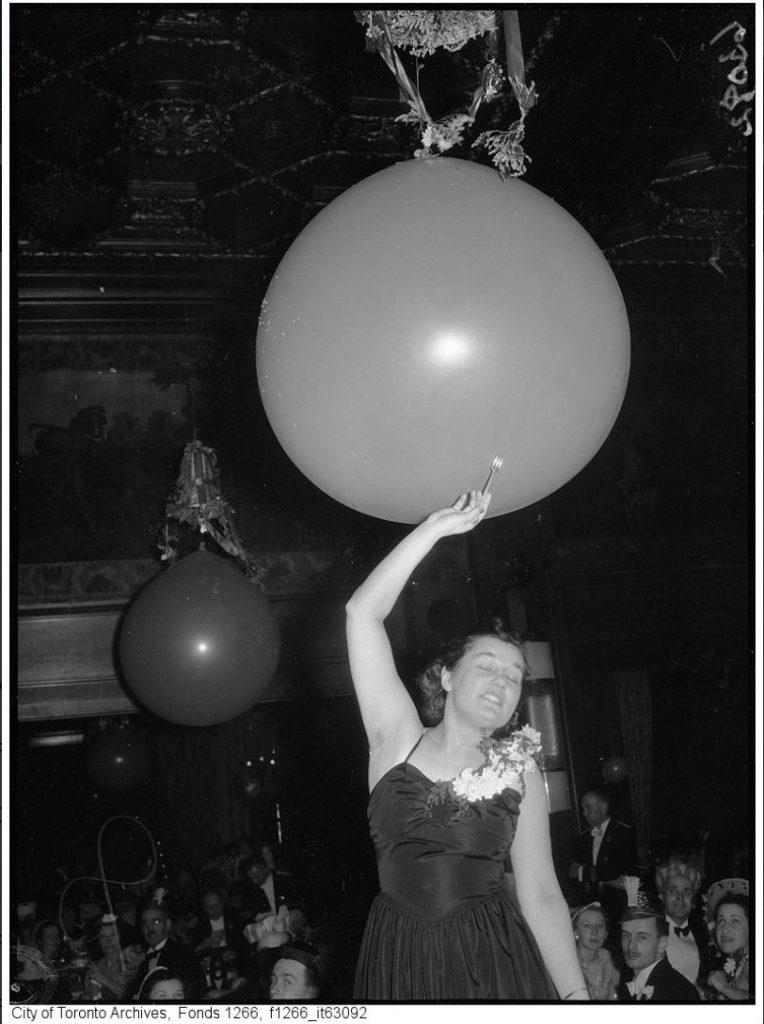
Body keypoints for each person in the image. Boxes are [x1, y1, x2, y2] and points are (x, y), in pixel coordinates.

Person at [346, 489, 588, 1000]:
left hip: (493, 959)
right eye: (487, 666)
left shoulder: (521, 772)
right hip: (400, 957)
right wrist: (434, 529)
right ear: (448, 676)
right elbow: (361, 614)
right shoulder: (396, 742)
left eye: (516, 676)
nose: (503, 682)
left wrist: (576, 1000)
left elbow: (541, 894)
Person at [616, 881, 700, 1002]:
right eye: (626, 936)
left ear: (662, 944)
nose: (631, 946)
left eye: (642, 937)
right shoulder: (624, 985)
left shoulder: (680, 992)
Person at [568, 788, 636, 929]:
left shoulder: (623, 833)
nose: (584, 813)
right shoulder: (583, 839)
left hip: (619, 906)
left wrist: (583, 873)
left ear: (603, 807)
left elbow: (614, 872)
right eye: (583, 807)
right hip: (590, 907)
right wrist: (608, 877)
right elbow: (571, 873)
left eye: (588, 807)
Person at [124, 900, 205, 1001]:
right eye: (145, 923)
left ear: (168, 924)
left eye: (156, 921)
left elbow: (194, 991)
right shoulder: (146, 960)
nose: (149, 927)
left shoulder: (182, 954)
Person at [654, 858, 712, 988]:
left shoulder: (704, 937)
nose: (680, 897)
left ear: (693, 902)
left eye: (686, 892)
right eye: (673, 891)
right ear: (662, 898)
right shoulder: (652, 933)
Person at [704, 879, 751, 1001]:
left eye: (735, 920)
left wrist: (725, 988)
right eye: (721, 920)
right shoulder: (737, 961)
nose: (725, 928)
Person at [86, 915, 145, 1001]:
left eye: (113, 935)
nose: (108, 941)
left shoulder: (132, 962)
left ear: (120, 936)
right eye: (103, 937)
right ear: (98, 941)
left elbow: (129, 995)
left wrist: (103, 979)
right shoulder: (95, 966)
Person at [572, 902, 619, 1000]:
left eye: (600, 926)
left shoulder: (609, 962)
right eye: (587, 925)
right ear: (575, 933)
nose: (594, 931)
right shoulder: (569, 965)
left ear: (606, 933)